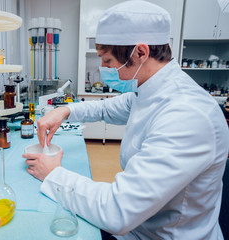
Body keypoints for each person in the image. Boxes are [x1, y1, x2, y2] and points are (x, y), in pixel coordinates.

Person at [23, 1, 229, 239]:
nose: (103, 68)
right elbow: (109, 108)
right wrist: (65, 111)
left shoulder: (187, 115)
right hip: (141, 225)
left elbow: (117, 212)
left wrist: (53, 173)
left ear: (140, 52)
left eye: (108, 61)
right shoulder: (151, 91)